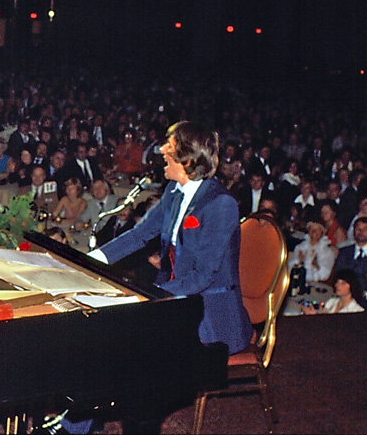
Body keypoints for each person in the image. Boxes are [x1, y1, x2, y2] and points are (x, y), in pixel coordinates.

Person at [89, 121, 252, 352]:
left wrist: (153, 296)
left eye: (170, 146)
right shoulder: (173, 191)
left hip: (210, 318)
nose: (162, 150)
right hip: (177, 298)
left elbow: (203, 276)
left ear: (188, 159)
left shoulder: (221, 204)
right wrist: (91, 260)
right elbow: (140, 235)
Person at [287, 218, 337, 283]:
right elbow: (289, 269)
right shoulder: (300, 247)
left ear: (322, 232)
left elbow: (325, 276)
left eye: (317, 230)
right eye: (311, 229)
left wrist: (316, 265)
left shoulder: (328, 252)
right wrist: (300, 262)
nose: (313, 232)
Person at [300, 268, 365, 314]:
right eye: (337, 282)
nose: (338, 285)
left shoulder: (357, 311)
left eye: (343, 283)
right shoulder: (331, 302)